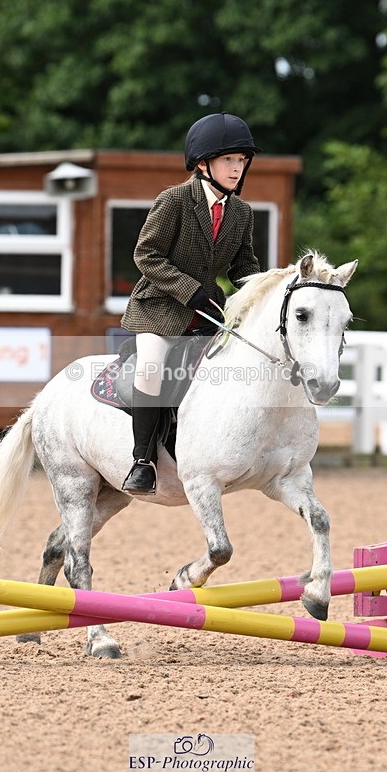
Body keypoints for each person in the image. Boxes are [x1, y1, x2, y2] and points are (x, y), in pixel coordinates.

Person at [120, 112, 262, 495]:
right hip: (160, 309)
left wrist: (257, 291)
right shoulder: (175, 200)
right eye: (229, 160)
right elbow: (146, 255)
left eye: (242, 161)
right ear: (203, 164)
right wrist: (189, 290)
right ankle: (142, 461)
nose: (237, 168)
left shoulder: (241, 213)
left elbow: (243, 265)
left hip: (207, 310)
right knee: (151, 367)